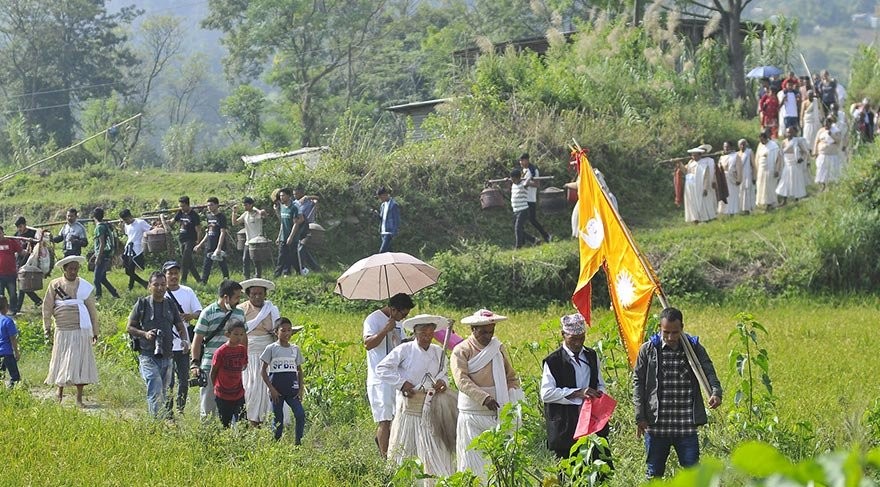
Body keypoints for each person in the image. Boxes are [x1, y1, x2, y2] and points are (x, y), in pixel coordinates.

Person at [633, 307, 722, 479]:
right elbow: (638, 383)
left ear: (682, 327)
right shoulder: (649, 349)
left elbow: (709, 371)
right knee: (654, 475)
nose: (671, 337)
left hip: (686, 424)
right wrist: (640, 416)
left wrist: (716, 392)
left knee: (693, 475)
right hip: (657, 425)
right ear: (660, 327)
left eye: (675, 332)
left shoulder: (693, 348)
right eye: (666, 332)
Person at [376, 314, 456, 476]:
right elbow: (382, 369)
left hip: (433, 406)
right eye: (423, 333)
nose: (427, 337)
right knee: (407, 448)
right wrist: (401, 383)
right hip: (410, 406)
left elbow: (444, 374)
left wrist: (443, 383)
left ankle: (436, 478)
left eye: (430, 333)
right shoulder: (404, 350)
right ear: (415, 333)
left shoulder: (438, 352)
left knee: (435, 446)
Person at [451, 309, 522, 477]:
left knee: (499, 463)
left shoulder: (497, 348)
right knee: (473, 461)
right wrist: (484, 398)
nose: (487, 336)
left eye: (491, 332)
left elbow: (510, 376)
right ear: (473, 329)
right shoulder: (461, 350)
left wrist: (513, 396)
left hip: (498, 412)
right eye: (483, 332)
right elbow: (462, 380)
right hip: (473, 414)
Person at [540, 313, 609, 460]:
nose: (578, 343)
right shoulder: (553, 361)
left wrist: (599, 396)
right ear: (563, 335)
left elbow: (600, 384)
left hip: (592, 423)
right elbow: (546, 393)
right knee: (569, 470)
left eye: (581, 338)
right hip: (566, 425)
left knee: (599, 468)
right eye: (573, 339)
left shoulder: (591, 355)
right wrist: (578, 393)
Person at [127, 271, 188, 418]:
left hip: (167, 354)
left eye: (162, 285)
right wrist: (145, 334)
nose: (160, 288)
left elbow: (180, 325)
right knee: (155, 389)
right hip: (147, 355)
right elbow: (129, 327)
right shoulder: (142, 304)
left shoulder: (170, 304)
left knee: (165, 391)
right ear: (149, 286)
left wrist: (184, 340)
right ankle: (156, 424)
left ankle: (163, 419)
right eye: (156, 285)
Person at [43, 255, 99, 407]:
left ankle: (79, 398)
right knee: (62, 360)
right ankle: (59, 392)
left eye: (76, 269)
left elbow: (92, 310)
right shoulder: (55, 285)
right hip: (62, 329)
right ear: (64, 269)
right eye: (71, 269)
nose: (73, 272)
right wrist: (46, 327)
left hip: (80, 329)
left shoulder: (84, 286)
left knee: (80, 362)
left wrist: (95, 331)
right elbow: (47, 307)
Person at [364, 292, 413, 458]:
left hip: (396, 377)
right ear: (393, 309)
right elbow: (368, 344)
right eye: (403, 314)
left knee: (397, 417)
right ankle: (385, 462)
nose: (403, 318)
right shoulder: (373, 319)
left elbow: (401, 345)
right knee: (384, 420)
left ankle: (389, 451)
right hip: (380, 379)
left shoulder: (398, 322)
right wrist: (385, 329)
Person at [190, 279, 245, 418]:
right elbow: (197, 341)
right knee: (208, 403)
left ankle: (231, 434)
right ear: (226, 297)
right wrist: (195, 363)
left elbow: (244, 338)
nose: (239, 300)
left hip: (233, 366)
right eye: (236, 297)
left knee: (235, 402)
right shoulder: (208, 313)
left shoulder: (239, 314)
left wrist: (244, 359)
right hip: (210, 365)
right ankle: (207, 433)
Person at [238, 278, 280, 427]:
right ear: (248, 295)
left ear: (265, 294)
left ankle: (269, 419)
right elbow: (239, 331)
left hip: (268, 351)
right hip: (250, 351)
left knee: (268, 386)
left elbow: (278, 330)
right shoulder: (241, 309)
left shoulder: (271, 309)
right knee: (251, 386)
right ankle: (250, 419)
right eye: (254, 294)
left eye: (260, 294)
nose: (257, 297)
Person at [163, 261, 202, 416]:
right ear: (164, 275)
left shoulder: (187, 291)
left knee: (184, 380)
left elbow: (199, 311)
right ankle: (168, 411)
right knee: (169, 381)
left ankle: (180, 409)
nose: (173, 276)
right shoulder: (161, 293)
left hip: (184, 343)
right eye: (170, 273)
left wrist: (189, 316)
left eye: (175, 273)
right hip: (166, 344)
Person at [260, 317, 306, 443]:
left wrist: (300, 389)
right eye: (283, 330)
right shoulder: (271, 348)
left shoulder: (295, 349)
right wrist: (272, 389)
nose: (287, 333)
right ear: (276, 332)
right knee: (278, 419)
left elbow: (299, 370)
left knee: (300, 414)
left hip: (292, 390)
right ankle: (276, 444)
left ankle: (298, 443)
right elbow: (263, 371)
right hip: (277, 392)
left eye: (289, 330)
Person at [210, 318, 248, 428]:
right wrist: (217, 389)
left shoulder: (242, 350)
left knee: (242, 423)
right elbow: (213, 372)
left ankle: (241, 444)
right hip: (223, 394)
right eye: (236, 334)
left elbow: (243, 366)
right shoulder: (220, 352)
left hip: (238, 392)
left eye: (241, 334)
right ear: (227, 334)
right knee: (225, 424)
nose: (239, 337)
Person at [162, 196, 201, 284]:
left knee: (184, 260)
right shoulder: (180, 212)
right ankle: (199, 280)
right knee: (189, 261)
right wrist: (164, 221)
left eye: (183, 206)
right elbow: (172, 221)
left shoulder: (194, 215)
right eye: (180, 206)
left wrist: (198, 242)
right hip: (181, 240)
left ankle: (183, 280)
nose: (181, 208)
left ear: (187, 205)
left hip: (190, 240)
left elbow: (198, 229)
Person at [195, 197, 230, 285]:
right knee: (206, 265)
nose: (209, 207)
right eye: (208, 205)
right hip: (209, 244)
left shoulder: (221, 217)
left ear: (217, 205)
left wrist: (218, 248)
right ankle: (203, 283)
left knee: (223, 265)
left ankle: (227, 281)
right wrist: (200, 244)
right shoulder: (209, 216)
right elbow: (208, 231)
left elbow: (223, 232)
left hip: (219, 245)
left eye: (211, 205)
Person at [13, 217, 45, 313]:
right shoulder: (17, 235)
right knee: (23, 285)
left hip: (29, 262)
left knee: (23, 285)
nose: (19, 229)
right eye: (18, 227)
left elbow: (39, 244)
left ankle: (18, 308)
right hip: (19, 261)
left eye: (21, 226)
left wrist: (33, 241)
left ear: (24, 224)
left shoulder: (32, 233)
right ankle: (38, 301)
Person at [518, 153, 551, 243]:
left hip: (530, 199)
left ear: (527, 160)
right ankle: (527, 240)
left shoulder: (533, 170)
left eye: (522, 160)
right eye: (520, 160)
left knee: (532, 220)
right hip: (523, 198)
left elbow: (537, 184)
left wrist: (528, 183)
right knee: (520, 221)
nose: (520, 162)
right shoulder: (523, 170)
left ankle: (545, 236)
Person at [232, 196, 267, 279]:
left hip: (257, 242)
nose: (245, 207)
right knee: (245, 260)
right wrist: (234, 212)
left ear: (251, 205)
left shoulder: (257, 213)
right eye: (244, 205)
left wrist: (256, 209)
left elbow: (263, 214)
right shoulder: (245, 214)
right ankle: (246, 277)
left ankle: (258, 276)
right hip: (248, 241)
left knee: (256, 261)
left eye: (246, 205)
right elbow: (235, 223)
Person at [776, 126, 810, 204]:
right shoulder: (784, 142)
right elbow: (780, 153)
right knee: (785, 181)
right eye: (788, 132)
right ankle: (784, 200)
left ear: (794, 133)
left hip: (795, 164)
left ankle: (796, 199)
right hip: (787, 164)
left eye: (791, 132)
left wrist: (802, 159)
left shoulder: (797, 141)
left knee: (796, 181)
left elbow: (805, 152)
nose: (789, 134)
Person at [273, 188, 303, 276]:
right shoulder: (282, 207)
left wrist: (291, 237)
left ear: (289, 196)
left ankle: (299, 272)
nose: (281, 198)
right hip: (283, 236)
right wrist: (279, 236)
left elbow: (296, 223)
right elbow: (282, 223)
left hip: (292, 237)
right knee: (281, 256)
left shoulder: (294, 207)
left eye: (283, 196)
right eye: (280, 196)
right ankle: (277, 275)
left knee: (293, 257)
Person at [119, 209, 151, 291]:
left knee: (130, 270)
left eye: (126, 219)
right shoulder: (126, 225)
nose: (125, 222)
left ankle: (139, 284)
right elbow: (127, 234)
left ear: (130, 216)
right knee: (129, 270)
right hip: (128, 248)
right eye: (124, 220)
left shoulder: (140, 223)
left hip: (136, 249)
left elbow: (150, 230)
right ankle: (135, 285)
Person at [91, 207, 119, 299]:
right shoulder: (105, 226)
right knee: (102, 278)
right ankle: (115, 294)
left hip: (103, 255)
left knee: (96, 279)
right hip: (107, 254)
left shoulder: (99, 228)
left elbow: (102, 243)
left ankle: (98, 296)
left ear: (93, 216)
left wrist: (98, 258)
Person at [679, 147, 713, 224]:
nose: (693, 157)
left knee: (701, 202)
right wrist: (679, 164)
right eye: (692, 155)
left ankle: (703, 218)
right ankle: (694, 218)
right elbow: (685, 171)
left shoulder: (704, 165)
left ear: (699, 155)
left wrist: (705, 188)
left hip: (699, 186)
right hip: (690, 186)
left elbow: (706, 177)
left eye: (695, 155)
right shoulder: (690, 163)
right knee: (692, 202)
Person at [506, 168, 537, 247]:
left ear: (517, 178)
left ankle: (518, 247)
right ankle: (534, 240)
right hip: (516, 210)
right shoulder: (513, 185)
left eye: (513, 179)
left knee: (518, 228)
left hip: (523, 210)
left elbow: (527, 182)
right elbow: (508, 186)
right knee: (518, 229)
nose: (512, 180)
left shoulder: (523, 184)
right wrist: (506, 180)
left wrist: (529, 177)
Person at [294, 186, 321, 272]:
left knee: (302, 248)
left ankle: (302, 268)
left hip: (309, 228)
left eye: (297, 194)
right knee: (303, 249)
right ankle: (316, 268)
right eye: (294, 194)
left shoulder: (309, 202)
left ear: (302, 193)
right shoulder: (294, 203)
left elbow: (318, 198)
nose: (295, 196)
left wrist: (307, 197)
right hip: (299, 228)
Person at [755, 131, 783, 210]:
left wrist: (777, 170)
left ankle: (771, 203)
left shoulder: (774, 146)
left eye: (762, 140)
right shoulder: (760, 145)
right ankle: (762, 202)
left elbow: (778, 159)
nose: (761, 142)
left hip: (770, 169)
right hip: (761, 169)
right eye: (760, 140)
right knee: (761, 185)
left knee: (769, 187)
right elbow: (757, 158)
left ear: (766, 138)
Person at [813, 117, 842, 191]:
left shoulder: (836, 131)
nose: (826, 126)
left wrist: (831, 135)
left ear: (831, 124)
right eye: (825, 124)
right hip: (822, 153)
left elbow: (838, 141)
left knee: (832, 170)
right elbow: (816, 141)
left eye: (827, 124)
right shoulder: (821, 131)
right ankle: (823, 185)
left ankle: (831, 186)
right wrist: (815, 152)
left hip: (832, 154)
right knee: (821, 169)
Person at [0, 226, 22, 315]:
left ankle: (13, 310)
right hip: (0, 275)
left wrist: (30, 249)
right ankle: (1, 312)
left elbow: (21, 252)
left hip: (10, 273)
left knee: (12, 293)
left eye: (0, 233)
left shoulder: (11, 242)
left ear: (3, 232)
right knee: (0, 295)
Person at [0, 297, 21, 388]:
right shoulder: (8, 321)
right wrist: (16, 352)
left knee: (1, 376)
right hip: (7, 352)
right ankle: (10, 393)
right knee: (15, 377)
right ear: (7, 306)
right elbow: (12, 338)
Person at [716, 142, 741, 216]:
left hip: (732, 179)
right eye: (724, 147)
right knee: (724, 195)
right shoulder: (722, 157)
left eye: (727, 147)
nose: (726, 148)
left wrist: (739, 179)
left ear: (731, 147)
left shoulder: (736, 156)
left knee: (731, 195)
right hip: (723, 179)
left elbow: (739, 168)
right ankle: (724, 211)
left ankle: (732, 212)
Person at [376, 186, 400, 253]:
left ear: (385, 195)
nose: (380, 199)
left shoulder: (394, 205)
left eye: (381, 197)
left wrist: (394, 232)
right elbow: (382, 218)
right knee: (389, 253)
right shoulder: (382, 205)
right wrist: (376, 215)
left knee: (382, 252)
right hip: (383, 232)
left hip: (389, 232)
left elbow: (396, 220)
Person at [737, 139, 757, 214]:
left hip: (747, 174)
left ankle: (747, 209)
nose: (742, 146)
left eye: (744, 144)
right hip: (740, 175)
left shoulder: (749, 152)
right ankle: (741, 208)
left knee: (747, 191)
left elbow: (753, 165)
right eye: (741, 144)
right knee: (740, 192)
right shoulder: (737, 154)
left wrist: (754, 176)